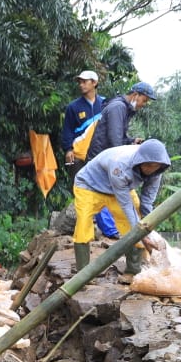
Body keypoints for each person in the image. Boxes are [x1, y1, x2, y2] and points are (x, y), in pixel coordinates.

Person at [72, 139, 169, 274]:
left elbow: (147, 202)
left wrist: (148, 230)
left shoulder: (157, 170)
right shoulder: (121, 166)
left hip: (120, 188)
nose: (150, 169)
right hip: (89, 185)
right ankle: (82, 275)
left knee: (133, 224)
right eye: (147, 165)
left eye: (155, 166)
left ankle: (133, 271)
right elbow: (126, 205)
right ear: (140, 160)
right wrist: (142, 236)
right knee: (83, 224)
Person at [60, 70, 118, 239]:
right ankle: (86, 228)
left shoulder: (106, 104)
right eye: (79, 82)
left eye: (84, 81)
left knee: (103, 188)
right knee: (82, 189)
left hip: (101, 155)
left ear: (94, 83)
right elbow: (67, 131)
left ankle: (108, 228)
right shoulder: (73, 107)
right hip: (79, 155)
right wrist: (68, 149)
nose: (81, 84)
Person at [83, 81, 156, 163]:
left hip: (105, 157)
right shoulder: (118, 107)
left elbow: (118, 137)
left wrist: (131, 141)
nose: (144, 104)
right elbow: (115, 141)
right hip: (98, 160)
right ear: (135, 95)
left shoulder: (125, 109)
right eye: (144, 100)